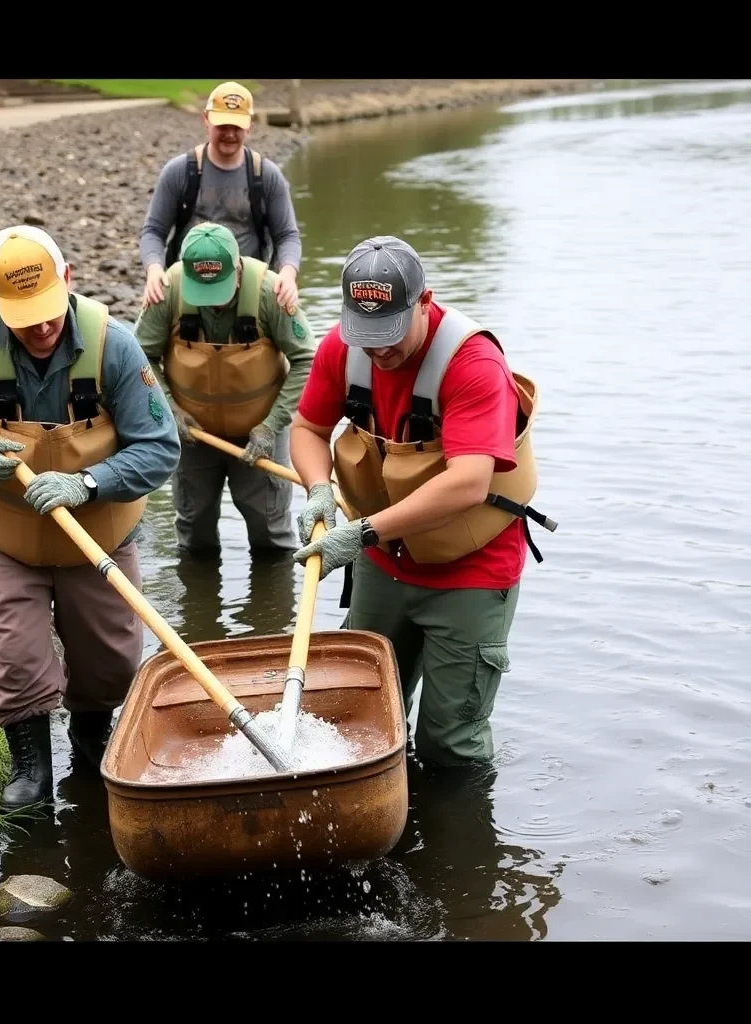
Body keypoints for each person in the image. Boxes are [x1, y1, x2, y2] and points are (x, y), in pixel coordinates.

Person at [0, 224, 181, 812]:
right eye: (24, 317)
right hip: (3, 532)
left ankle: (91, 738)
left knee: (112, 659)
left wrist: (88, 481)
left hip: (97, 529)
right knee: (14, 651)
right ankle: (29, 766)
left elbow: (159, 447)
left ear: (68, 280)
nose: (42, 327)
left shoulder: (113, 344)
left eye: (49, 310)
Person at [289, 235, 557, 768]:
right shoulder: (343, 351)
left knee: (450, 744)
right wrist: (319, 487)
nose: (377, 349)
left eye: (388, 332)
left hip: (470, 570)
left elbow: (469, 483)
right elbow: (308, 429)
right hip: (384, 564)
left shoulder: (473, 364)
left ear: (424, 301)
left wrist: (363, 531)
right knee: (359, 719)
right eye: (365, 334)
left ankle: (459, 847)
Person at [133, 221, 317, 554]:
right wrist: (169, 410)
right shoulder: (166, 291)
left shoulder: (270, 292)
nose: (213, 303)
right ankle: (197, 597)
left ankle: (272, 602)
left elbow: (307, 360)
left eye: (220, 288)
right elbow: (140, 358)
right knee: (194, 530)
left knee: (270, 534)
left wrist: (272, 425)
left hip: (259, 433)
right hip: (193, 435)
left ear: (237, 268)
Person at [138, 81, 303, 315]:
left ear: (250, 127)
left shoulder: (266, 175)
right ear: (206, 119)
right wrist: (154, 270)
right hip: (189, 288)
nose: (229, 133)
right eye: (222, 125)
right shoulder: (179, 171)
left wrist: (287, 273)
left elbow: (287, 235)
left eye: (237, 126)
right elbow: (153, 231)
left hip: (247, 291)